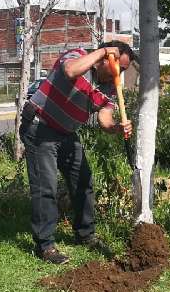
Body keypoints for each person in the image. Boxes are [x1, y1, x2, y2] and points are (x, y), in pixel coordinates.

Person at [20, 41, 135, 264]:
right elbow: (70, 70)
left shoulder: (111, 88)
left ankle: (85, 234)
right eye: (117, 67)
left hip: (66, 133)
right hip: (40, 126)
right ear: (105, 59)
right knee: (46, 186)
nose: (119, 74)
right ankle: (45, 245)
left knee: (83, 181)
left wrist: (115, 128)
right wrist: (101, 51)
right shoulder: (77, 56)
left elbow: (104, 118)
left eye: (123, 71)